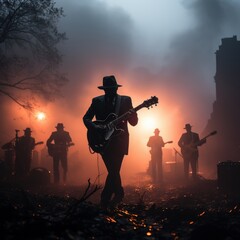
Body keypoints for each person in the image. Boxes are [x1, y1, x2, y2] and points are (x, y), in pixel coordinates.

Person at [83, 75, 138, 207]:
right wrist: (95, 127)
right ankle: (118, 194)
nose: (109, 91)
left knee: (114, 169)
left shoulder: (125, 100)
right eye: (107, 89)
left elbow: (134, 123)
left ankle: (106, 198)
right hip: (102, 139)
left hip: (120, 139)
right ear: (104, 89)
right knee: (113, 170)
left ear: (116, 88)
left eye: (111, 88)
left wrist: (134, 114)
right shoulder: (96, 101)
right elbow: (86, 118)